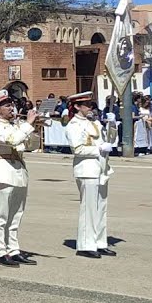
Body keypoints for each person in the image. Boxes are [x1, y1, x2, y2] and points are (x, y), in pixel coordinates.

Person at [0, 90, 40, 267]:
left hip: (19, 170)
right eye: (7, 106)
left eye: (11, 105)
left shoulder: (16, 125)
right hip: (3, 171)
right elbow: (12, 140)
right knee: (2, 215)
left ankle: (13, 249)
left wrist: (34, 128)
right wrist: (27, 125)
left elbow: (31, 145)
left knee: (16, 215)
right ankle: (1, 251)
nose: (11, 108)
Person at [64, 92, 115, 259]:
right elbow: (77, 149)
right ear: (77, 106)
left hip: (101, 168)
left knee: (101, 208)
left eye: (90, 104)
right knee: (89, 208)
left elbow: (109, 140)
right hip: (87, 169)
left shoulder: (94, 122)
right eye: (86, 105)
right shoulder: (73, 125)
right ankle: (86, 244)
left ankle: (100, 242)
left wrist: (112, 125)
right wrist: (98, 149)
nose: (90, 107)